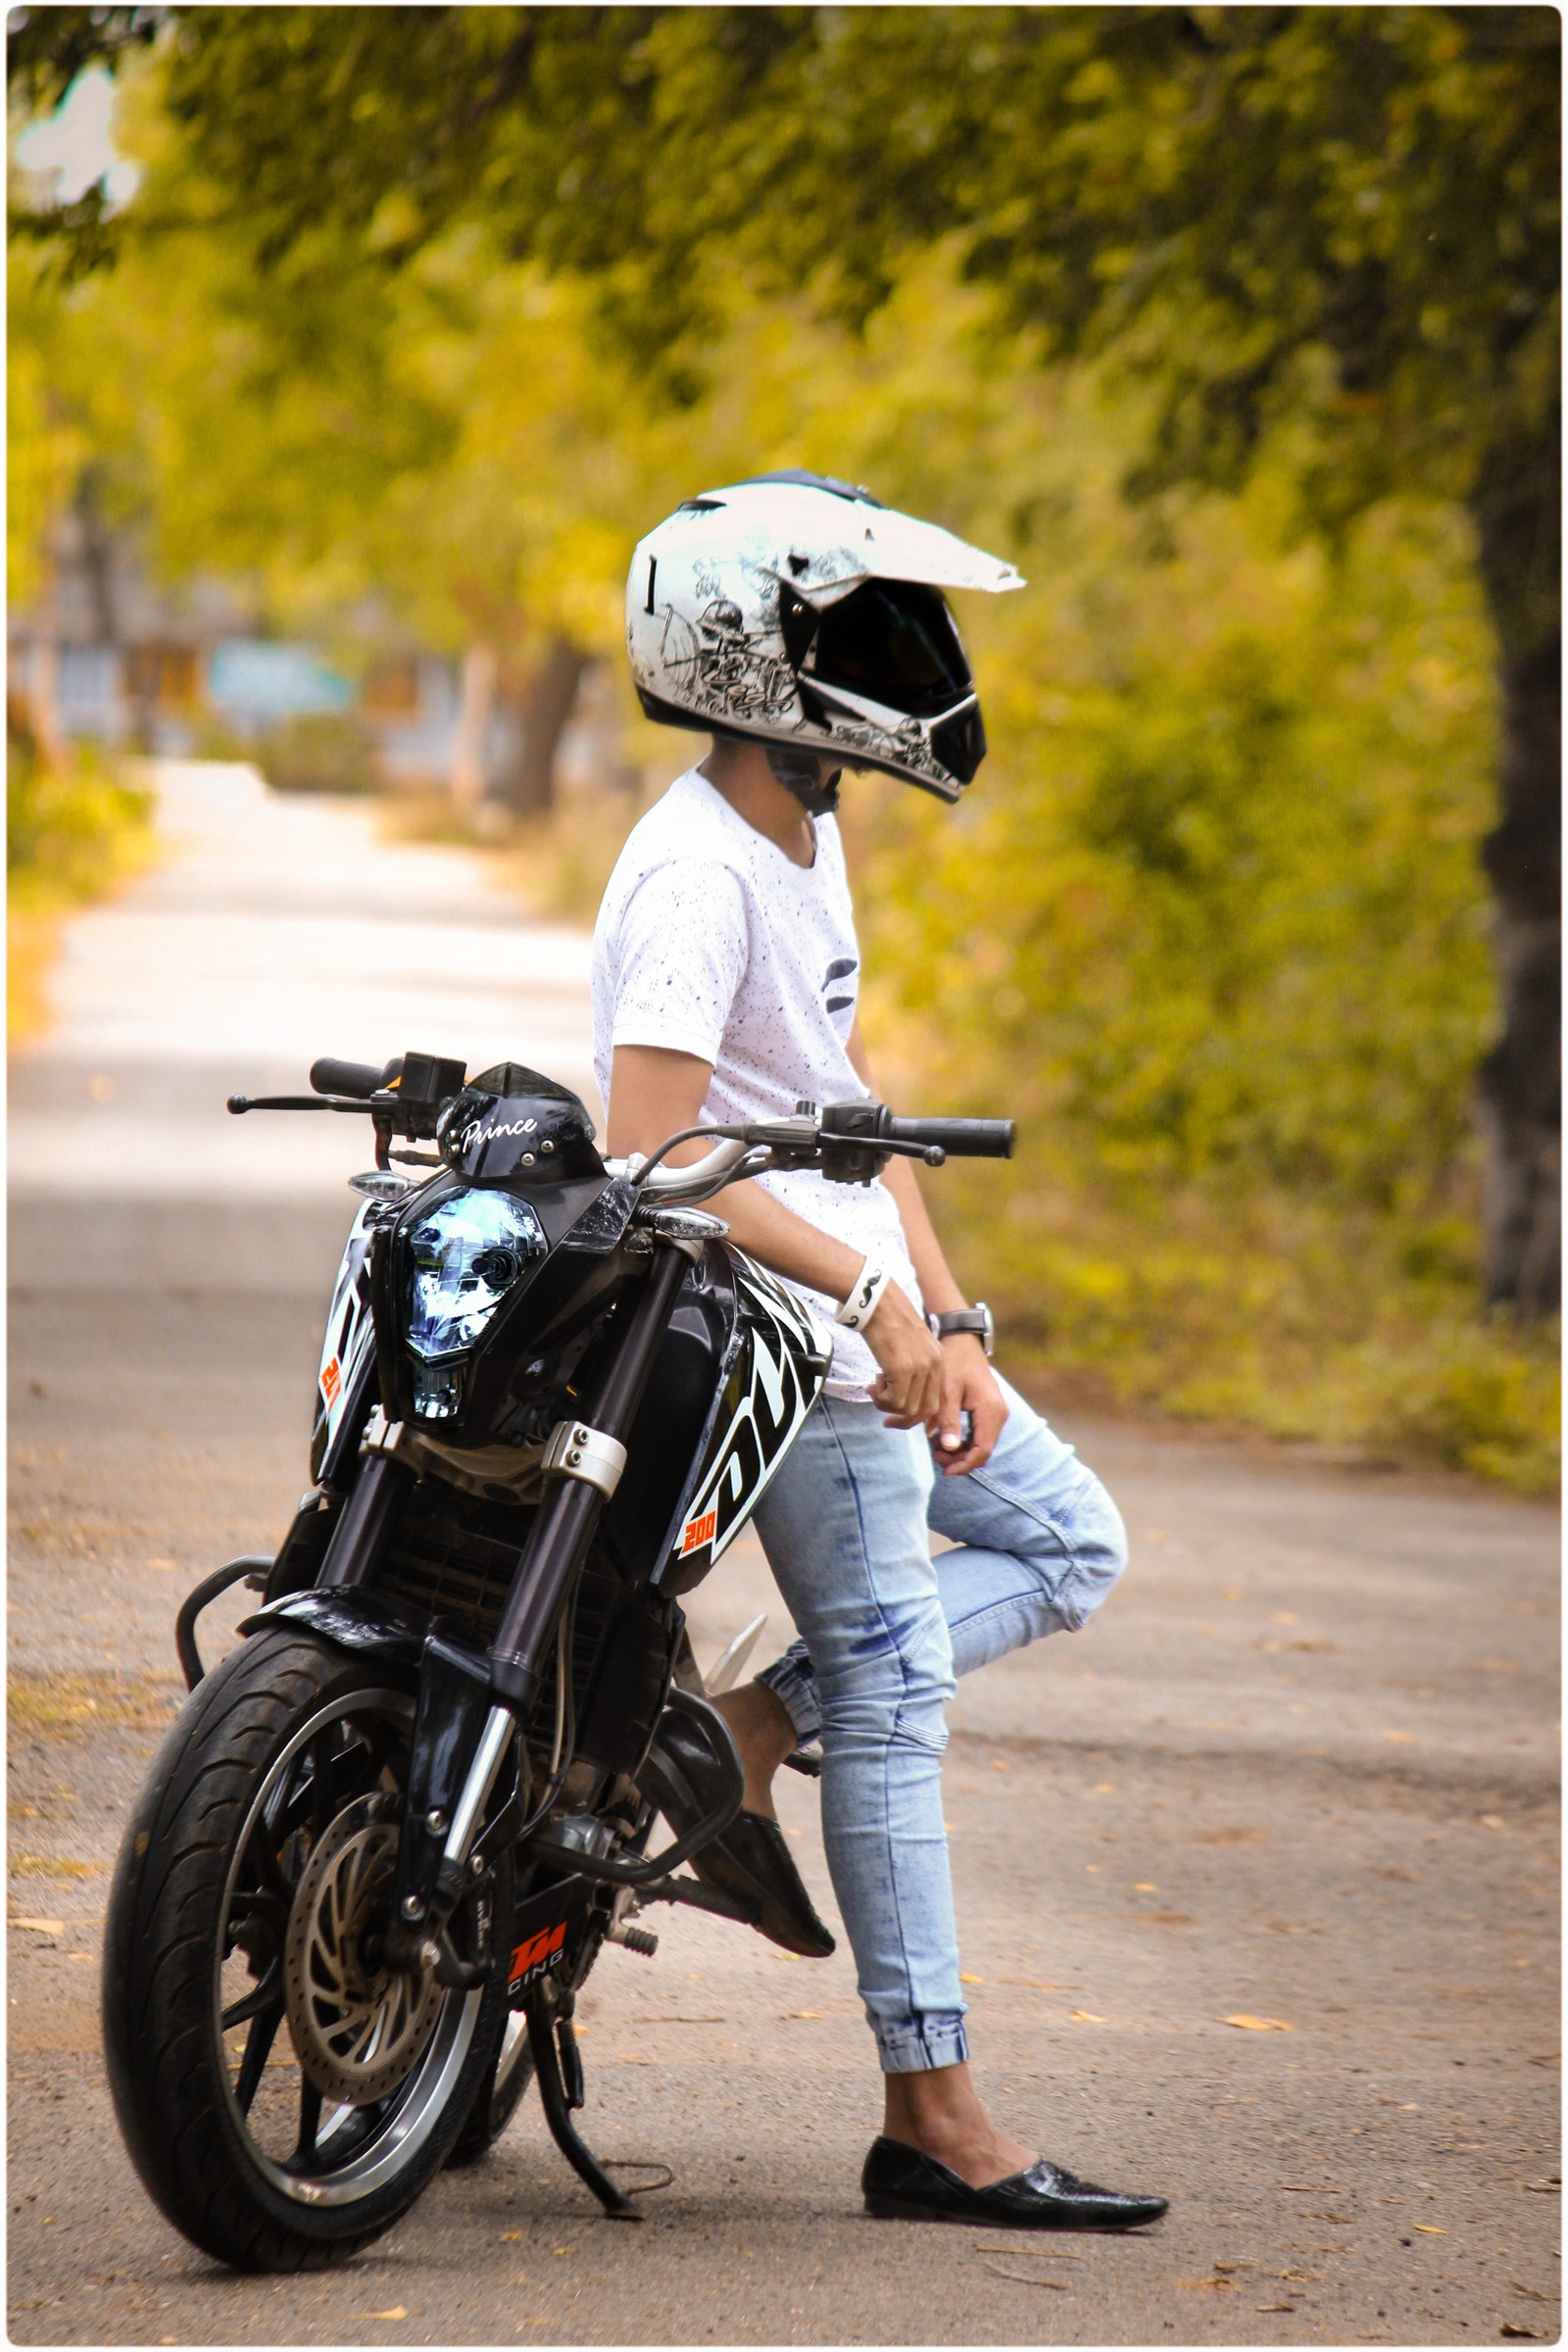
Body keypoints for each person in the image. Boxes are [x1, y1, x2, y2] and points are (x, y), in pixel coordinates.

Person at [593, 469, 1166, 2231]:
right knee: (903, 1685)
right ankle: (937, 2117)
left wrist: (952, 1314)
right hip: (783, 1340)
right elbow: (656, 1153)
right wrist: (866, 1311)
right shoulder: (696, 872)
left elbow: (844, 1107)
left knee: (1073, 1542)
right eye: (868, 629)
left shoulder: (802, 826)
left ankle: (740, 1725)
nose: (915, 661)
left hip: (875, 1328)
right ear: (756, 659)